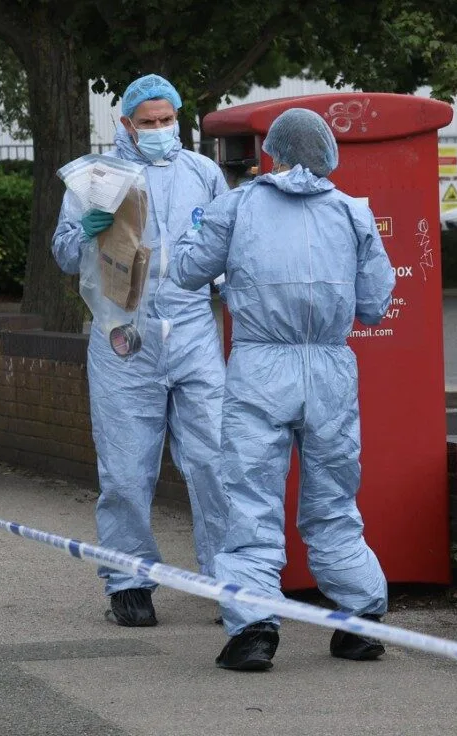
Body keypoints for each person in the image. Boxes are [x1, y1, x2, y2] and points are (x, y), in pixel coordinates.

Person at [169, 108, 397, 671]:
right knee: (333, 499)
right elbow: (374, 303)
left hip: (260, 365)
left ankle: (254, 631)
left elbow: (186, 270)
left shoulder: (239, 204)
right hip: (329, 370)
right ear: (325, 154)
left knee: (248, 499)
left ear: (272, 151)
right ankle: (360, 617)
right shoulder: (352, 212)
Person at [52, 74, 229, 628]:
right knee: (126, 467)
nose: (157, 130)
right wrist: (88, 226)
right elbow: (62, 254)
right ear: (125, 123)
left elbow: (229, 249)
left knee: (214, 462)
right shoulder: (96, 177)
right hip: (122, 336)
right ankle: (128, 581)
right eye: (146, 122)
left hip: (194, 332)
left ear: (178, 117)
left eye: (165, 120)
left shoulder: (204, 174)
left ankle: (230, 577)